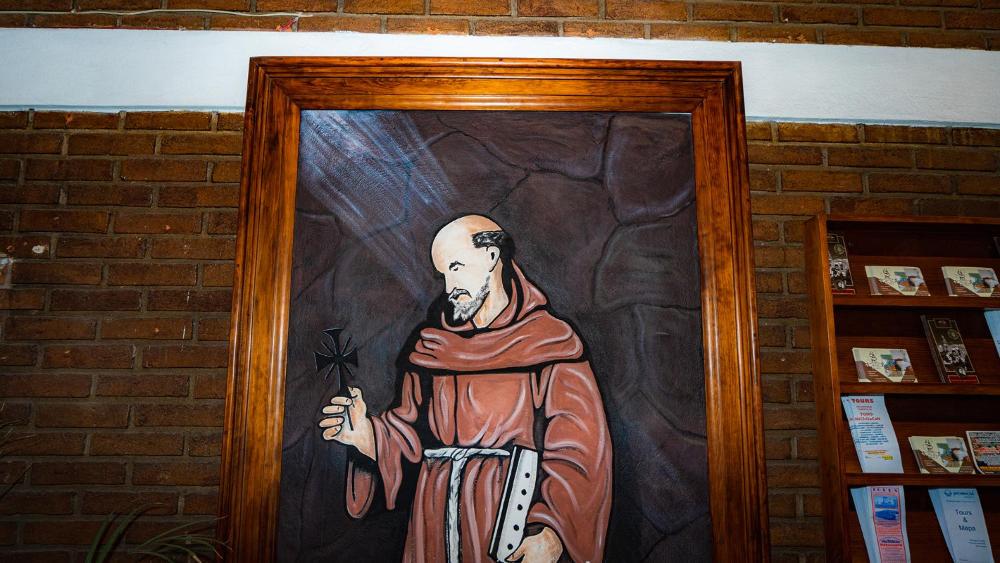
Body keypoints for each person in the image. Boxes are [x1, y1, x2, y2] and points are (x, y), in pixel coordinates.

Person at [319, 214, 613, 563]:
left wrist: (552, 533)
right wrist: (367, 436)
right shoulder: (432, 348)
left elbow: (580, 450)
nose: (449, 287)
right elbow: (409, 434)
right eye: (444, 274)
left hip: (510, 526)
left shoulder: (549, 344)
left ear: (491, 256)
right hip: (433, 523)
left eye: (456, 267)